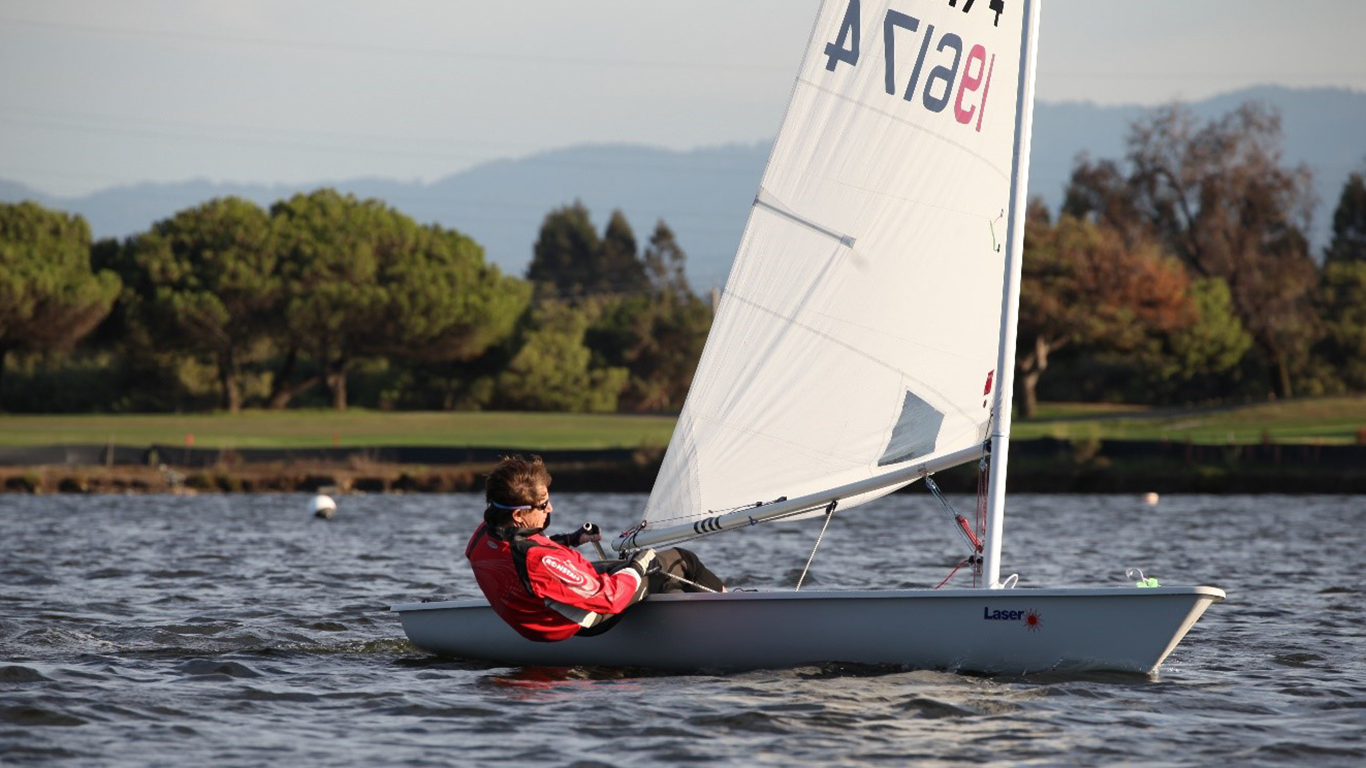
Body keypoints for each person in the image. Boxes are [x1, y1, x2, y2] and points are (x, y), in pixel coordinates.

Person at [466, 454, 726, 642]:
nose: (550, 509)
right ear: (519, 516)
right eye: (543, 505)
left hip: (536, 608)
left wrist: (571, 539)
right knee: (681, 561)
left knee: (636, 572)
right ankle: (727, 619)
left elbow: (519, 552)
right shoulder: (539, 560)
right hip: (585, 620)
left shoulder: (485, 533)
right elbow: (609, 598)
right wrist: (637, 566)